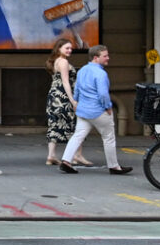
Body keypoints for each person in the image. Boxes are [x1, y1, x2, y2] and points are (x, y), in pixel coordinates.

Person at [60, 44, 131, 174]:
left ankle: (66, 160)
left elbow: (77, 89)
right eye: (105, 56)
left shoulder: (82, 70)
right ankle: (114, 166)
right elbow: (103, 94)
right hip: (98, 111)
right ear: (95, 58)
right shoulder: (101, 74)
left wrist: (76, 102)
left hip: (83, 109)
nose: (108, 58)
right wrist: (108, 107)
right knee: (108, 137)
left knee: (78, 135)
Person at [46, 36, 81, 166]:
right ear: (59, 48)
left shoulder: (55, 61)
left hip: (54, 96)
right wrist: (72, 100)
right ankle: (72, 156)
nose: (69, 50)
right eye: (67, 48)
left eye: (71, 48)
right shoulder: (64, 62)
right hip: (63, 97)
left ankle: (51, 155)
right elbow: (66, 82)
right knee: (71, 124)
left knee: (54, 124)